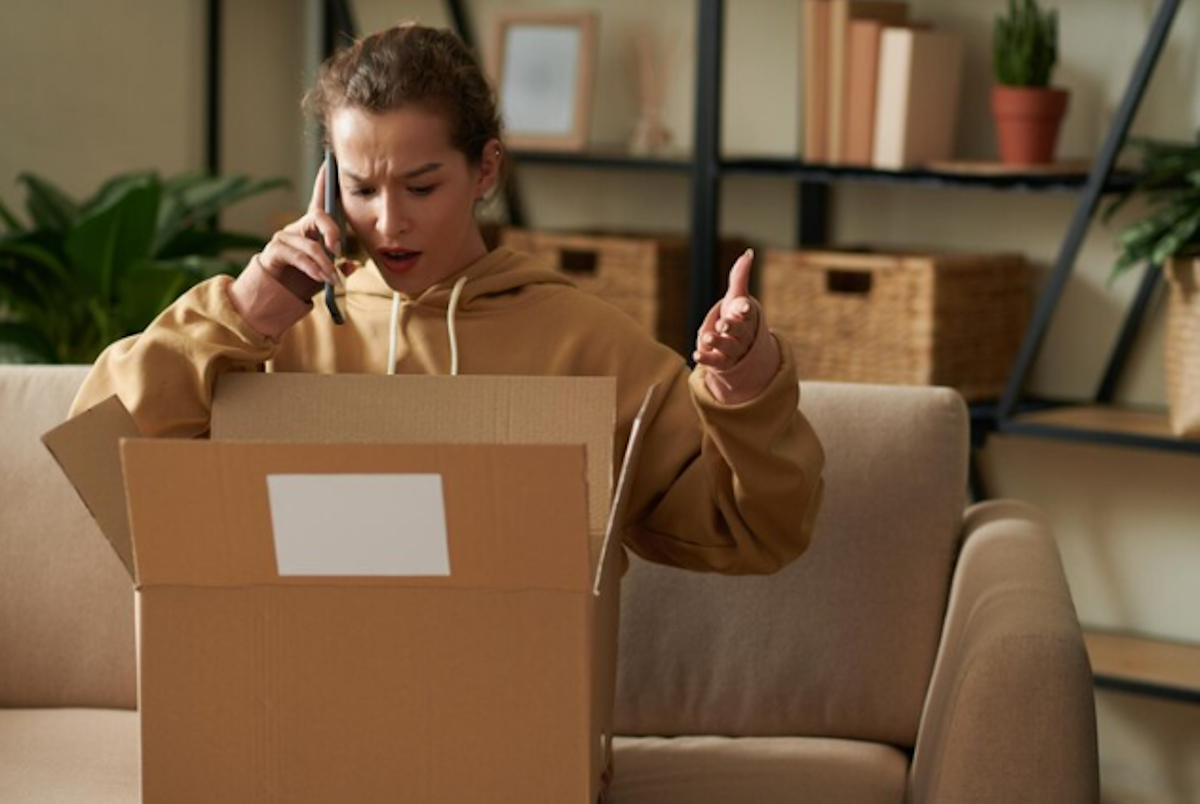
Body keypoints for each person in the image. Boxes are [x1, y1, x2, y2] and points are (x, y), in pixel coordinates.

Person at [70, 23, 824, 575]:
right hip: (295, 688)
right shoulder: (281, 333)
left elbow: (755, 532)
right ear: (328, 182)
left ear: (485, 169)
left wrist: (743, 381)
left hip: (513, 705)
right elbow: (99, 455)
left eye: (422, 186)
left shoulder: (584, 342)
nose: (389, 222)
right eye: (361, 189)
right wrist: (244, 311)